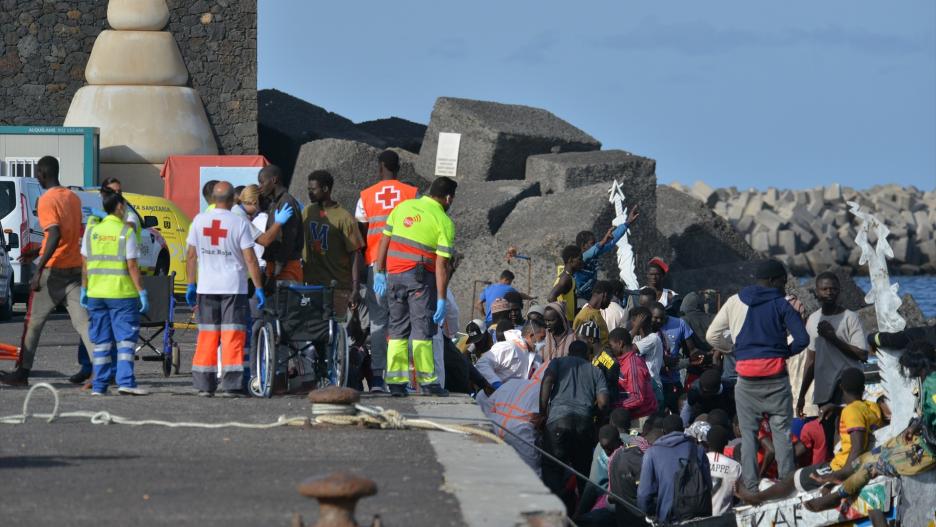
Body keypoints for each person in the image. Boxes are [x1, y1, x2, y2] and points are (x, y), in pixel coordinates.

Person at [705, 259, 809, 491]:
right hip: (776, 379)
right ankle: (786, 485)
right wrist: (784, 353)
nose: (785, 288)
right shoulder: (782, 305)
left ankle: (751, 488)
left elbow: (712, 335)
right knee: (781, 432)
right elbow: (803, 339)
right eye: (782, 282)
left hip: (746, 380)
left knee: (749, 435)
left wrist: (732, 349)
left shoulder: (734, 301)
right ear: (772, 281)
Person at [803, 341, 936, 513]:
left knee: (872, 465)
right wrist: (913, 427)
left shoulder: (932, 385)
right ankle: (840, 476)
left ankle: (837, 497)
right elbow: (924, 414)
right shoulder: (925, 381)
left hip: (928, 449)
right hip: (921, 438)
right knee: (867, 457)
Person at [0, 156, 96, 387]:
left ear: (42, 173)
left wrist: (38, 268)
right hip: (74, 268)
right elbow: (69, 233)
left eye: (37, 174)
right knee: (84, 323)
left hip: (52, 272)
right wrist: (36, 251)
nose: (36, 177)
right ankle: (102, 370)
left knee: (33, 323)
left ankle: (22, 373)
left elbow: (54, 233)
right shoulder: (72, 198)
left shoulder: (46, 200)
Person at [736, 367, 881, 506]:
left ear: (841, 387)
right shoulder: (871, 407)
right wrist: (836, 409)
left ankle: (756, 498)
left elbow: (856, 448)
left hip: (840, 467)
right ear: (863, 387)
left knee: (793, 478)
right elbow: (858, 415)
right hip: (841, 463)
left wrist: (840, 475)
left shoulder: (850, 412)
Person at [373, 176, 457, 397]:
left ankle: (396, 384)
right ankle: (428, 382)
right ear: (448, 198)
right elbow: (441, 265)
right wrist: (441, 297)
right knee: (422, 330)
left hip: (393, 278)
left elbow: (384, 240)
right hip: (420, 281)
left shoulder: (403, 207)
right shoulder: (444, 222)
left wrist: (379, 272)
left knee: (397, 329)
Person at [185, 182, 266, 397]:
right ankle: (232, 386)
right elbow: (250, 259)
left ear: (212, 199)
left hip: (206, 288)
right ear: (233, 200)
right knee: (232, 337)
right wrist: (259, 288)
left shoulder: (199, 221)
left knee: (207, 337)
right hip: (234, 289)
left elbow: (191, 256)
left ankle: (204, 385)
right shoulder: (238, 222)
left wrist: (191, 284)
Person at [356, 150, 419, 391]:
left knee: (379, 322)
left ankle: (378, 377)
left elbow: (361, 233)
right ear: (399, 167)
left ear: (381, 167)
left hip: (377, 267)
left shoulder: (366, 196)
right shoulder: (412, 194)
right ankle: (399, 378)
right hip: (405, 265)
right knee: (402, 322)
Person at [79, 187, 149, 396]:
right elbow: (132, 267)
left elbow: (85, 264)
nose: (125, 209)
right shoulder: (125, 232)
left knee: (101, 342)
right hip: (122, 295)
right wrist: (142, 293)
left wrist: (84, 289)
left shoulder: (92, 231)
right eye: (125, 206)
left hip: (96, 295)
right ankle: (125, 381)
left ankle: (99, 386)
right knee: (125, 341)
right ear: (119, 207)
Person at [796, 272, 869, 450]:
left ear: (839, 292)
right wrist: (801, 396)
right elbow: (810, 361)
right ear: (817, 292)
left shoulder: (850, 318)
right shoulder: (813, 320)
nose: (829, 292)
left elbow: (863, 355)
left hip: (847, 386)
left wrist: (833, 338)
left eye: (833, 289)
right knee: (828, 434)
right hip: (824, 388)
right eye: (825, 289)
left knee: (846, 431)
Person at [539, 340, 610, 501]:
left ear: (568, 353)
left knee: (552, 470)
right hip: (583, 425)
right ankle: (583, 515)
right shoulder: (595, 370)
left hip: (557, 422)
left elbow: (547, 381)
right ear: (587, 355)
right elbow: (604, 403)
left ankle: (555, 509)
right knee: (583, 472)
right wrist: (597, 424)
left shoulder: (557, 362)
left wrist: (542, 413)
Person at [302, 170, 364, 319]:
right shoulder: (307, 212)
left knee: (335, 330)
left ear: (325, 189)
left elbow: (355, 253)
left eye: (313, 189)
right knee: (313, 329)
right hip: (311, 285)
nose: (310, 193)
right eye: (308, 189)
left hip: (337, 287)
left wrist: (355, 288)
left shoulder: (344, 217)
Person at [638, 415, 712, 523]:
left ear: (663, 431)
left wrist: (649, 513)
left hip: (670, 517)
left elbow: (644, 494)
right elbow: (708, 484)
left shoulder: (651, 453)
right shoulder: (697, 450)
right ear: (683, 430)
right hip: (699, 514)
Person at [484, 363, 549, 475]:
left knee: (492, 465)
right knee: (533, 473)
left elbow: (489, 403)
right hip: (519, 431)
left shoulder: (512, 382)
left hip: (494, 424)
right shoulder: (544, 393)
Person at [574, 206, 638, 301]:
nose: (596, 244)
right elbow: (590, 253)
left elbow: (612, 240)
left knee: (618, 288)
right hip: (581, 296)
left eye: (596, 242)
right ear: (583, 246)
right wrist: (602, 242)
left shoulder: (596, 251)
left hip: (593, 291)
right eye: (592, 243)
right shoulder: (580, 258)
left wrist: (627, 223)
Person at [257, 165, 304, 286]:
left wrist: (278, 269)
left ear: (274, 180)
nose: (259, 187)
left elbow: (289, 238)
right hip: (275, 267)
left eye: (262, 182)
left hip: (285, 268)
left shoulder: (286, 202)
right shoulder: (275, 203)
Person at [475, 320, 546, 399]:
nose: (544, 342)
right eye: (542, 338)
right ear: (531, 335)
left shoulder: (537, 360)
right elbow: (482, 363)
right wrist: (496, 384)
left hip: (510, 405)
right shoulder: (509, 347)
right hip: (488, 403)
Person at [650, 301, 698, 414]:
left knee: (681, 411)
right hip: (655, 381)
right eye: (656, 318)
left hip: (673, 379)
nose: (659, 321)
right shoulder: (646, 330)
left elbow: (691, 349)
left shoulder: (679, 324)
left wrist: (697, 357)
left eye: (662, 318)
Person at [612, 327, 658, 419]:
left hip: (641, 417)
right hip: (632, 414)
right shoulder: (624, 362)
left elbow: (637, 398)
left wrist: (614, 406)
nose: (611, 349)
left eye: (612, 345)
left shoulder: (633, 365)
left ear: (620, 344)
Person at [629, 307, 664, 410]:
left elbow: (624, 348)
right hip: (643, 387)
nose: (631, 324)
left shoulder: (653, 339)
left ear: (641, 323)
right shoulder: (638, 338)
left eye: (633, 321)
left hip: (653, 388)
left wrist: (636, 328)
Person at [706, 425, 742, 515]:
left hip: (699, 519)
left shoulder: (698, 462)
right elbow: (740, 495)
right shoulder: (734, 466)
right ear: (726, 443)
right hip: (724, 519)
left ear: (707, 442)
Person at [573, 280, 612, 353]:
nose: (610, 302)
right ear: (605, 295)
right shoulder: (586, 315)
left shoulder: (595, 313)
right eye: (610, 298)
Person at [548, 245, 583, 323]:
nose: (582, 262)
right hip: (567, 323)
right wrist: (562, 319)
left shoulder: (568, 276)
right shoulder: (566, 278)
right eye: (580, 259)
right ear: (570, 260)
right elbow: (551, 297)